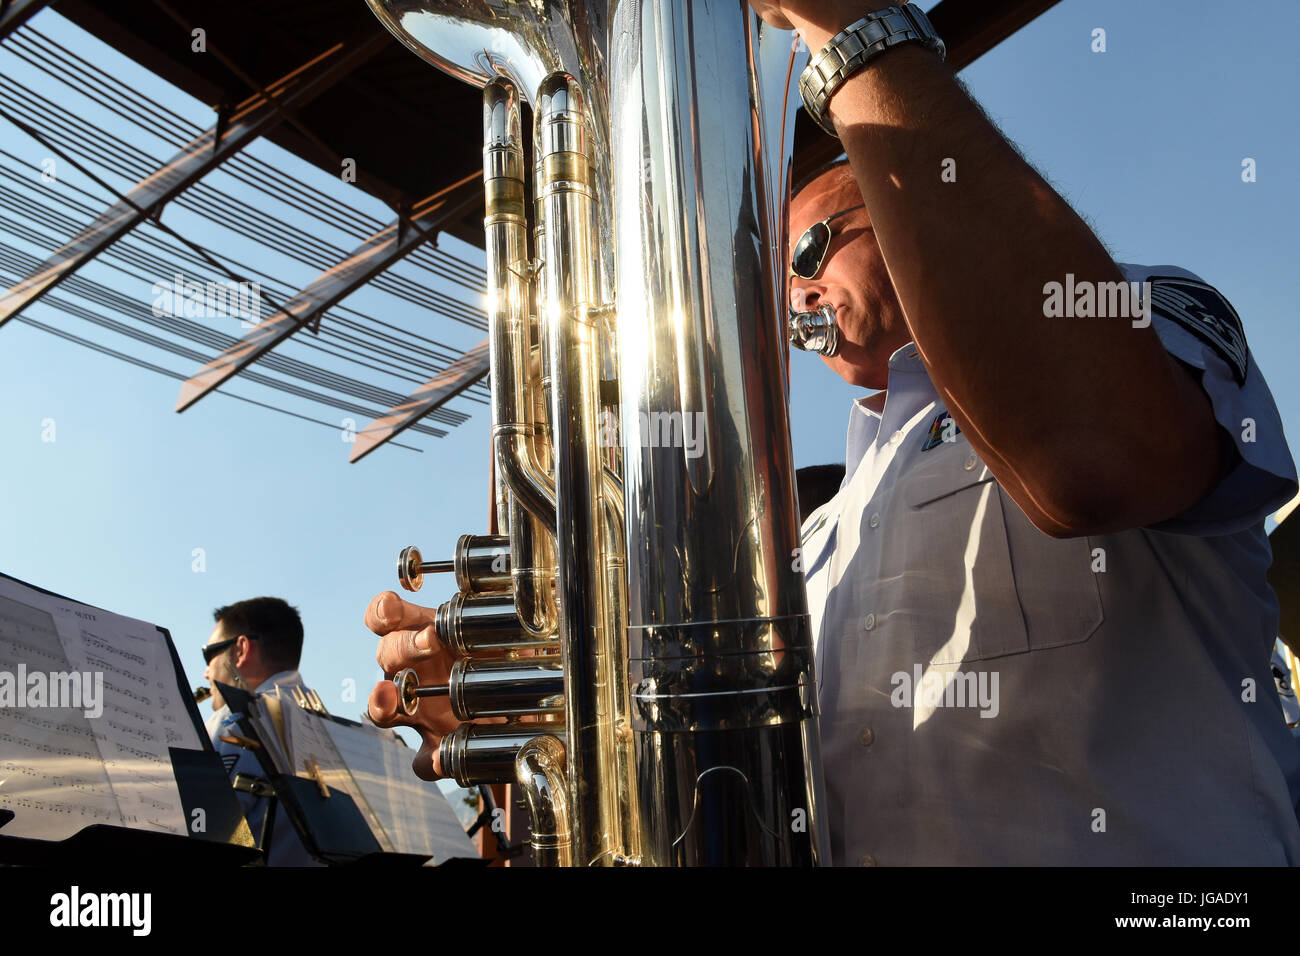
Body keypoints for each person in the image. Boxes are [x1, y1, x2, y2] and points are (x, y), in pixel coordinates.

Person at [769, 1, 1300, 863]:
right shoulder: (823, 531)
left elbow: (1094, 462)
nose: (794, 300)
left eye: (809, 253)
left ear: (905, 214)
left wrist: (851, 31)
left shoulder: (1136, 308)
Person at [204, 596, 321, 866]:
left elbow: (200, 832)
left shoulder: (234, 719)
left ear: (240, 650)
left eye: (209, 655)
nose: (206, 672)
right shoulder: (334, 729)